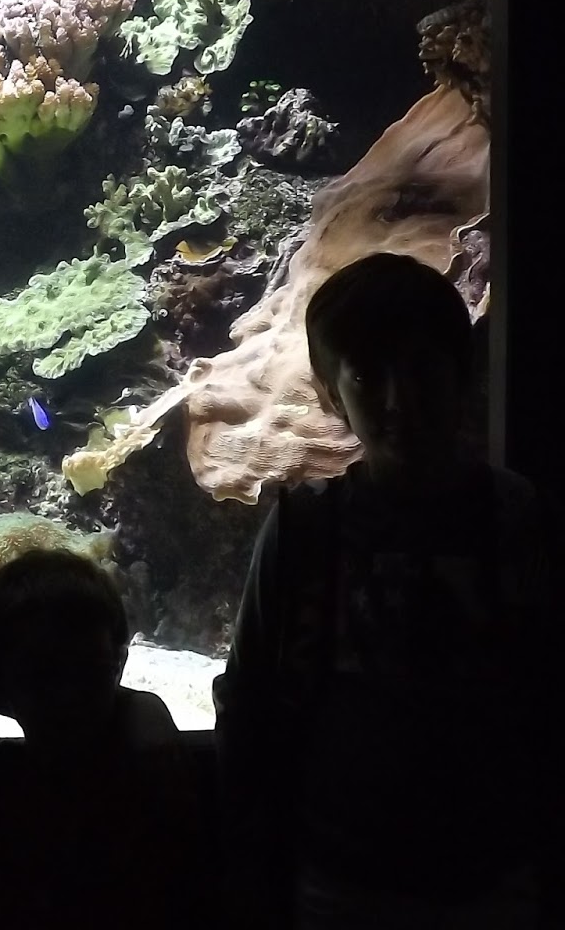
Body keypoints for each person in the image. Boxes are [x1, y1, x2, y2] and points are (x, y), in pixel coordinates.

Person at [213, 251, 554, 928]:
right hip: (338, 876)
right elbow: (249, 688)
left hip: (494, 874)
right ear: (332, 394)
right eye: (368, 376)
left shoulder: (517, 519)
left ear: (463, 373)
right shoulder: (305, 525)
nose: (400, 400)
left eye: (422, 368)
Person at [0, 547, 204, 925]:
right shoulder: (150, 775)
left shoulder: (150, 780)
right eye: (43, 675)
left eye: (88, 673)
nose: (68, 696)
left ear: (119, 664)